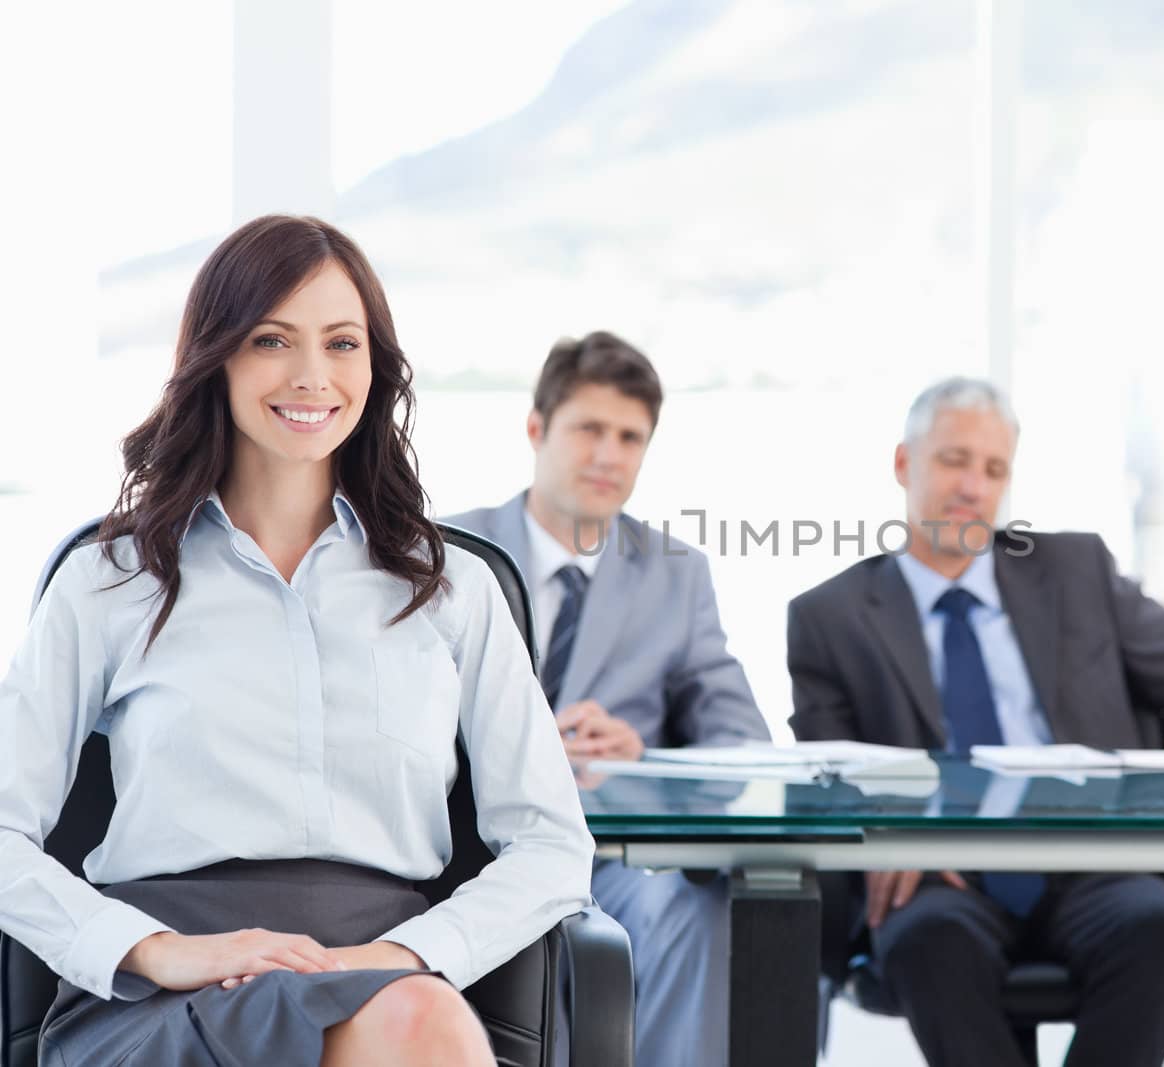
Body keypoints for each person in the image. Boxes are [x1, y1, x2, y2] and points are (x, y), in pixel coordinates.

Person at [0, 215, 593, 1067]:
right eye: (273, 338)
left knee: (420, 1025)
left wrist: (401, 958)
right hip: (164, 992)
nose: (313, 375)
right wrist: (155, 949)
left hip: (386, 982)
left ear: (374, 366)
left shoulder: (450, 587)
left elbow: (551, 845)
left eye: (342, 343)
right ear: (219, 355)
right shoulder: (111, 580)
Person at [786, 377, 1164, 1067]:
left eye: (993, 468)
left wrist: (1151, 817)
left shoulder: (1077, 568)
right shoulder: (830, 616)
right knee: (928, 943)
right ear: (905, 464)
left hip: (1096, 859)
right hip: (939, 872)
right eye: (954, 459)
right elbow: (831, 773)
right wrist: (891, 836)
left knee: (1161, 935)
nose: (974, 484)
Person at [445, 331, 767, 1067]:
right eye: (590, 428)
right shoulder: (453, 551)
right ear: (537, 428)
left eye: (631, 437)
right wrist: (512, 742)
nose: (609, 455)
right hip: (473, 855)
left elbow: (741, 741)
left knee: (698, 909)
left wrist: (642, 752)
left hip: (618, 861)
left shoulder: (675, 573)